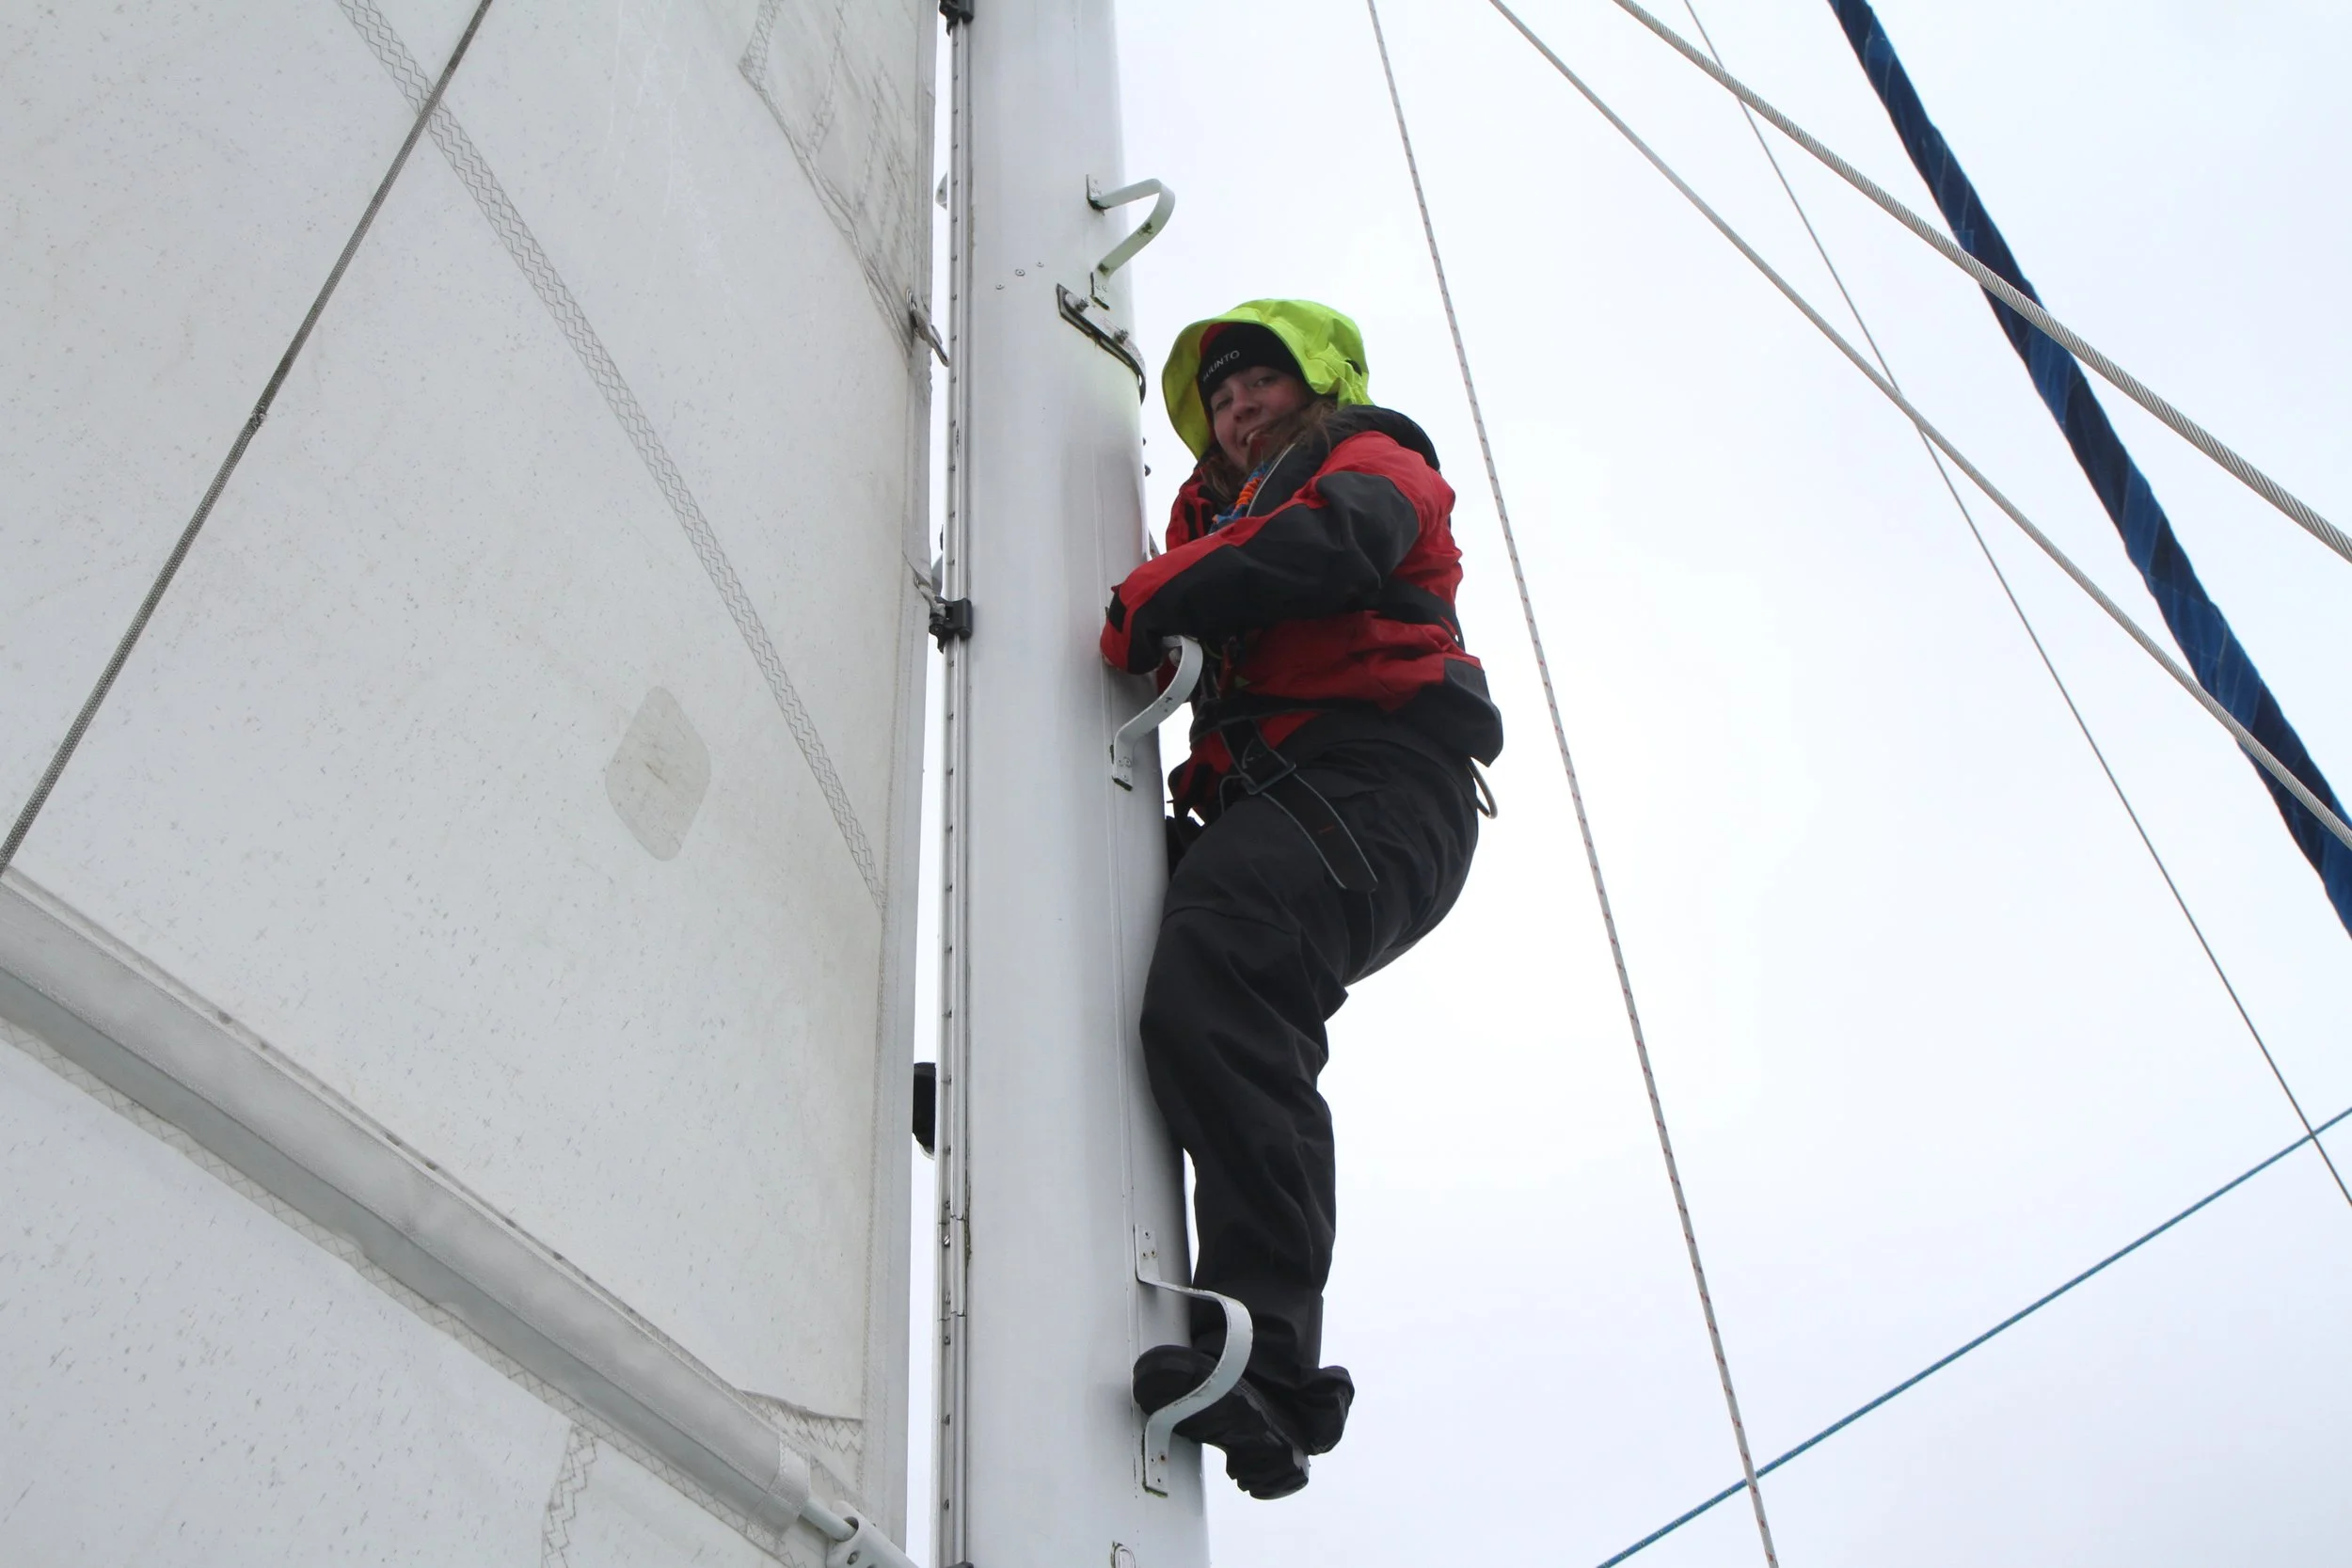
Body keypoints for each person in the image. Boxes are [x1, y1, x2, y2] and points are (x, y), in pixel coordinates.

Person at [1100, 300, 1504, 1498]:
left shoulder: (1372, 462)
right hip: (1281, 803)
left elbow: (1340, 544)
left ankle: (1270, 1367)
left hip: (1375, 788)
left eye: (1261, 383)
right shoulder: (1215, 526)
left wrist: (1152, 593)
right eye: (1220, 398)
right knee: (1094, 915)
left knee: (1225, 969)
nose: (1237, 408)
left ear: (1318, 383)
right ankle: (1002, 1085)